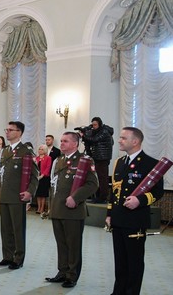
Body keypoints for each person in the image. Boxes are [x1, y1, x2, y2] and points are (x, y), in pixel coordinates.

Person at [106, 127, 164, 295]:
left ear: (135, 141)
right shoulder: (119, 162)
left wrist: (140, 200)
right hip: (118, 219)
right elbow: (114, 191)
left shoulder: (151, 164)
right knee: (120, 261)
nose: (119, 140)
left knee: (134, 262)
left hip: (135, 220)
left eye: (123, 138)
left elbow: (158, 192)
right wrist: (109, 214)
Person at [45, 131, 98, 289]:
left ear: (75, 144)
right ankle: (62, 271)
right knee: (61, 243)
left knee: (73, 245)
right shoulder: (59, 160)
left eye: (65, 141)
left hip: (73, 211)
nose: (61, 143)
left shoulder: (84, 160)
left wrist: (75, 197)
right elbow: (55, 185)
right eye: (61, 141)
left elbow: (93, 184)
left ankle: (72, 275)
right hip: (57, 209)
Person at [0, 121, 39, 270]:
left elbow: (34, 175)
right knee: (5, 228)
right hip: (4, 195)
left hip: (17, 196)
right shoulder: (6, 150)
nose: (7, 132)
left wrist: (30, 192)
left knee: (17, 229)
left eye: (10, 130)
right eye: (6, 129)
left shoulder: (26, 151)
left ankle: (18, 258)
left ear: (19, 132)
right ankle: (7, 256)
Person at [81, 116, 114, 203]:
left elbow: (94, 140)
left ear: (100, 124)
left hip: (103, 158)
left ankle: (103, 197)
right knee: (97, 177)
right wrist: (86, 130)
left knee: (102, 178)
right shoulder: (97, 131)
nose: (93, 126)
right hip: (97, 157)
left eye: (95, 125)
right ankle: (97, 196)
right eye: (92, 125)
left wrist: (83, 134)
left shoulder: (104, 131)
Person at [35, 145, 53, 216]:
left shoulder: (48, 158)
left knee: (43, 194)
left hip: (44, 178)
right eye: (39, 149)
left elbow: (48, 167)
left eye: (42, 149)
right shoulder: (36, 158)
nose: (40, 150)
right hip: (37, 177)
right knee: (38, 194)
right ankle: (38, 208)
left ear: (45, 150)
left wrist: (42, 175)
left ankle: (42, 208)